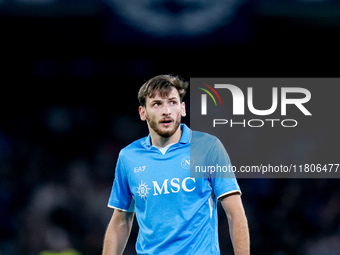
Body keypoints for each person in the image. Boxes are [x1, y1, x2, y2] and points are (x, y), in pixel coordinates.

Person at [102, 75, 250, 255]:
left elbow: (235, 213)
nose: (166, 111)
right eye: (157, 104)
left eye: (172, 102)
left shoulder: (208, 147)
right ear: (143, 113)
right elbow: (121, 221)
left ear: (183, 108)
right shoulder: (129, 157)